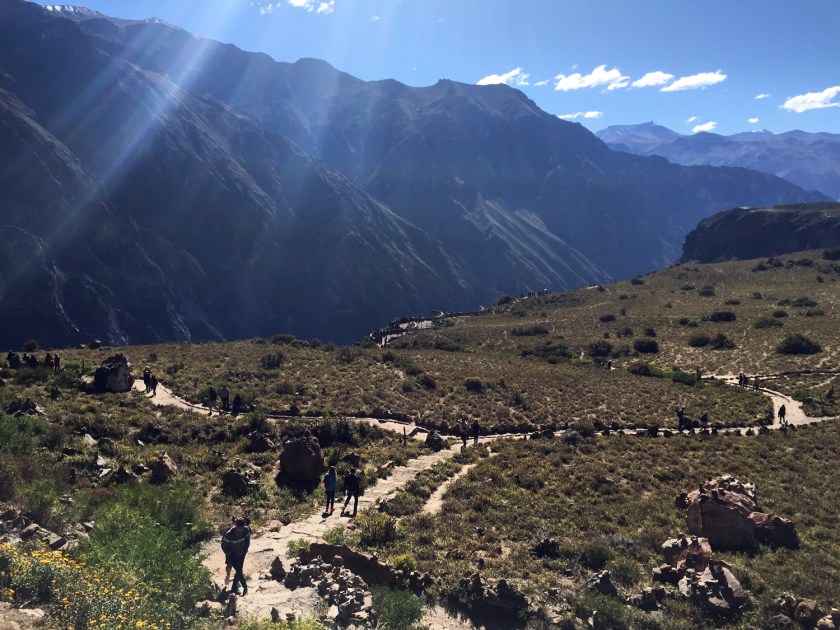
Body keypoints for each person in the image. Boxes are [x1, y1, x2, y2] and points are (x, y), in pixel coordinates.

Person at [221, 518, 250, 596]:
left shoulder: (246, 530)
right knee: (233, 568)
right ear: (235, 526)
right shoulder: (229, 534)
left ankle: (236, 588)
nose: (240, 530)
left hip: (241, 553)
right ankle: (230, 579)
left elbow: (247, 540)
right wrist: (229, 554)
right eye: (238, 528)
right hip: (231, 553)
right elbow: (224, 546)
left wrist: (245, 550)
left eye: (242, 528)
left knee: (239, 570)